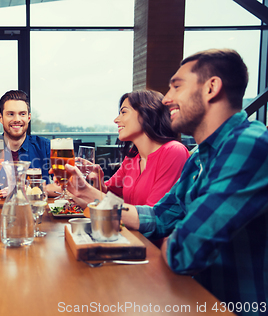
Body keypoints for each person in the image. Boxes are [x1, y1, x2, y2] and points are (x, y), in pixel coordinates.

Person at [69, 49, 268, 312]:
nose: (166, 99)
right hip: (188, 297)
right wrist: (91, 195)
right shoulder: (198, 157)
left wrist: (170, 235)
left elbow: (184, 252)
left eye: (176, 86)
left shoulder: (249, 143)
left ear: (212, 87)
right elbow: (161, 216)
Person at [83, 90, 189, 207]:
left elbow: (153, 214)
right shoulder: (133, 157)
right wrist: (98, 180)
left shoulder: (174, 151)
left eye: (124, 112)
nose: (116, 120)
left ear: (146, 114)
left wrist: (85, 191)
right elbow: (108, 195)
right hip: (127, 225)